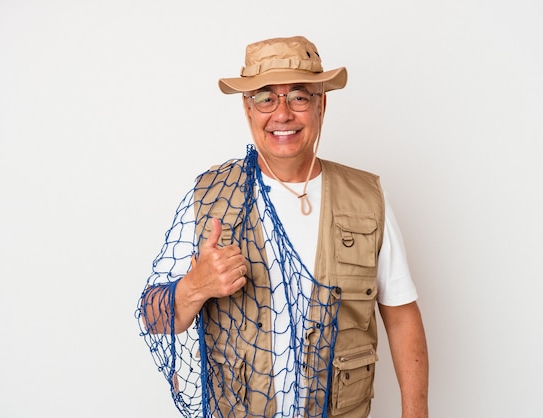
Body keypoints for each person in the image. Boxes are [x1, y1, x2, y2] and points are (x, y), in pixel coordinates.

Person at [137, 35, 428, 418]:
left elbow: (402, 314)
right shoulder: (209, 197)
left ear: (322, 104)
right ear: (247, 108)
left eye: (299, 96)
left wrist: (416, 413)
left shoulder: (368, 198)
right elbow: (151, 318)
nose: (282, 114)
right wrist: (196, 285)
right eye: (265, 97)